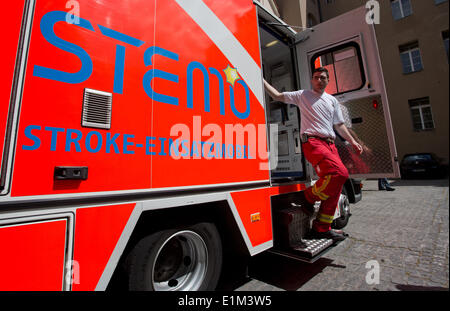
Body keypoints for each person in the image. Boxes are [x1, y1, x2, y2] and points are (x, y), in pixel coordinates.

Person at [264, 67, 363, 242]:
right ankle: (307, 197)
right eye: (316, 77)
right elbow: (277, 96)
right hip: (313, 142)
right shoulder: (303, 95)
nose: (319, 80)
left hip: (330, 144)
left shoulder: (332, 101)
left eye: (323, 78)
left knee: (335, 187)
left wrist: (353, 141)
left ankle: (321, 228)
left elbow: (339, 125)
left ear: (327, 81)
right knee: (340, 173)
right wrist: (261, 80)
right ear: (312, 80)